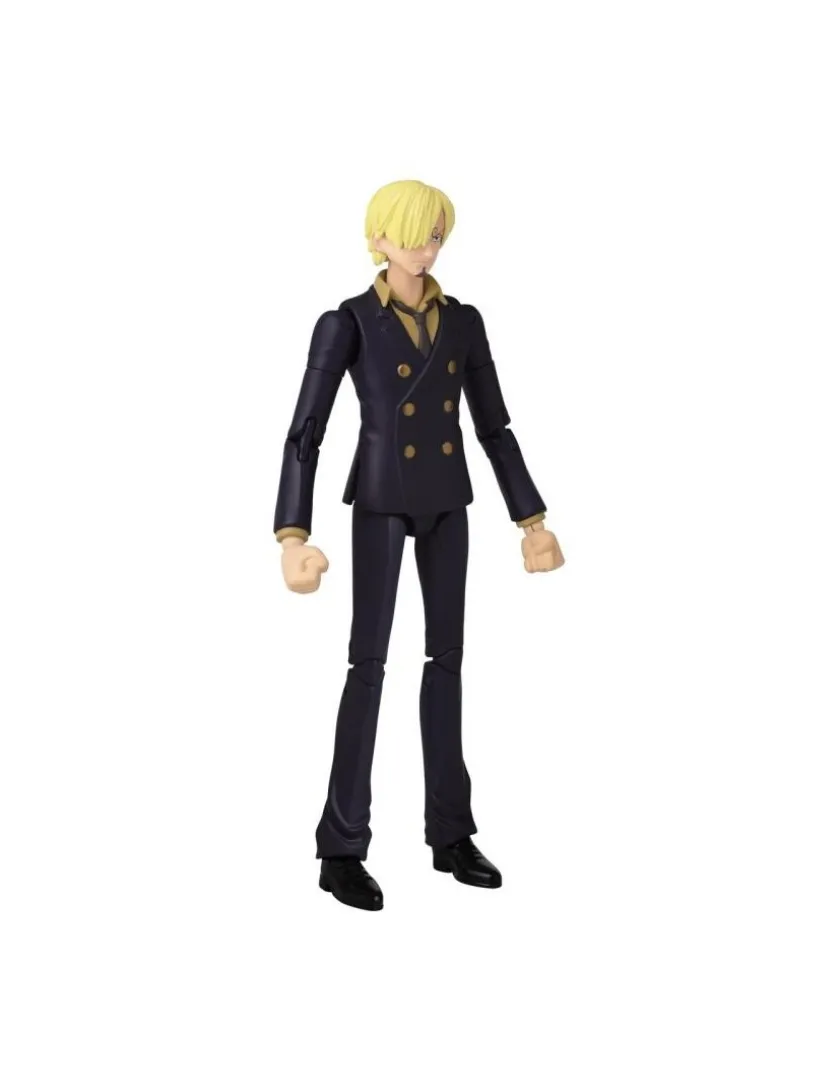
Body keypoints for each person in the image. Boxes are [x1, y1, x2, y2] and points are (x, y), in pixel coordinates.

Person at [274, 180, 564, 911]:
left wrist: (531, 521)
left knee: (447, 663)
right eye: (410, 234)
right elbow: (306, 431)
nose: (424, 248)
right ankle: (341, 845)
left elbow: (494, 426)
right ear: (378, 238)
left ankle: (450, 832)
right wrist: (292, 533)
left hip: (447, 503)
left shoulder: (463, 322)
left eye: (434, 235)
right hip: (379, 502)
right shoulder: (347, 322)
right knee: (368, 666)